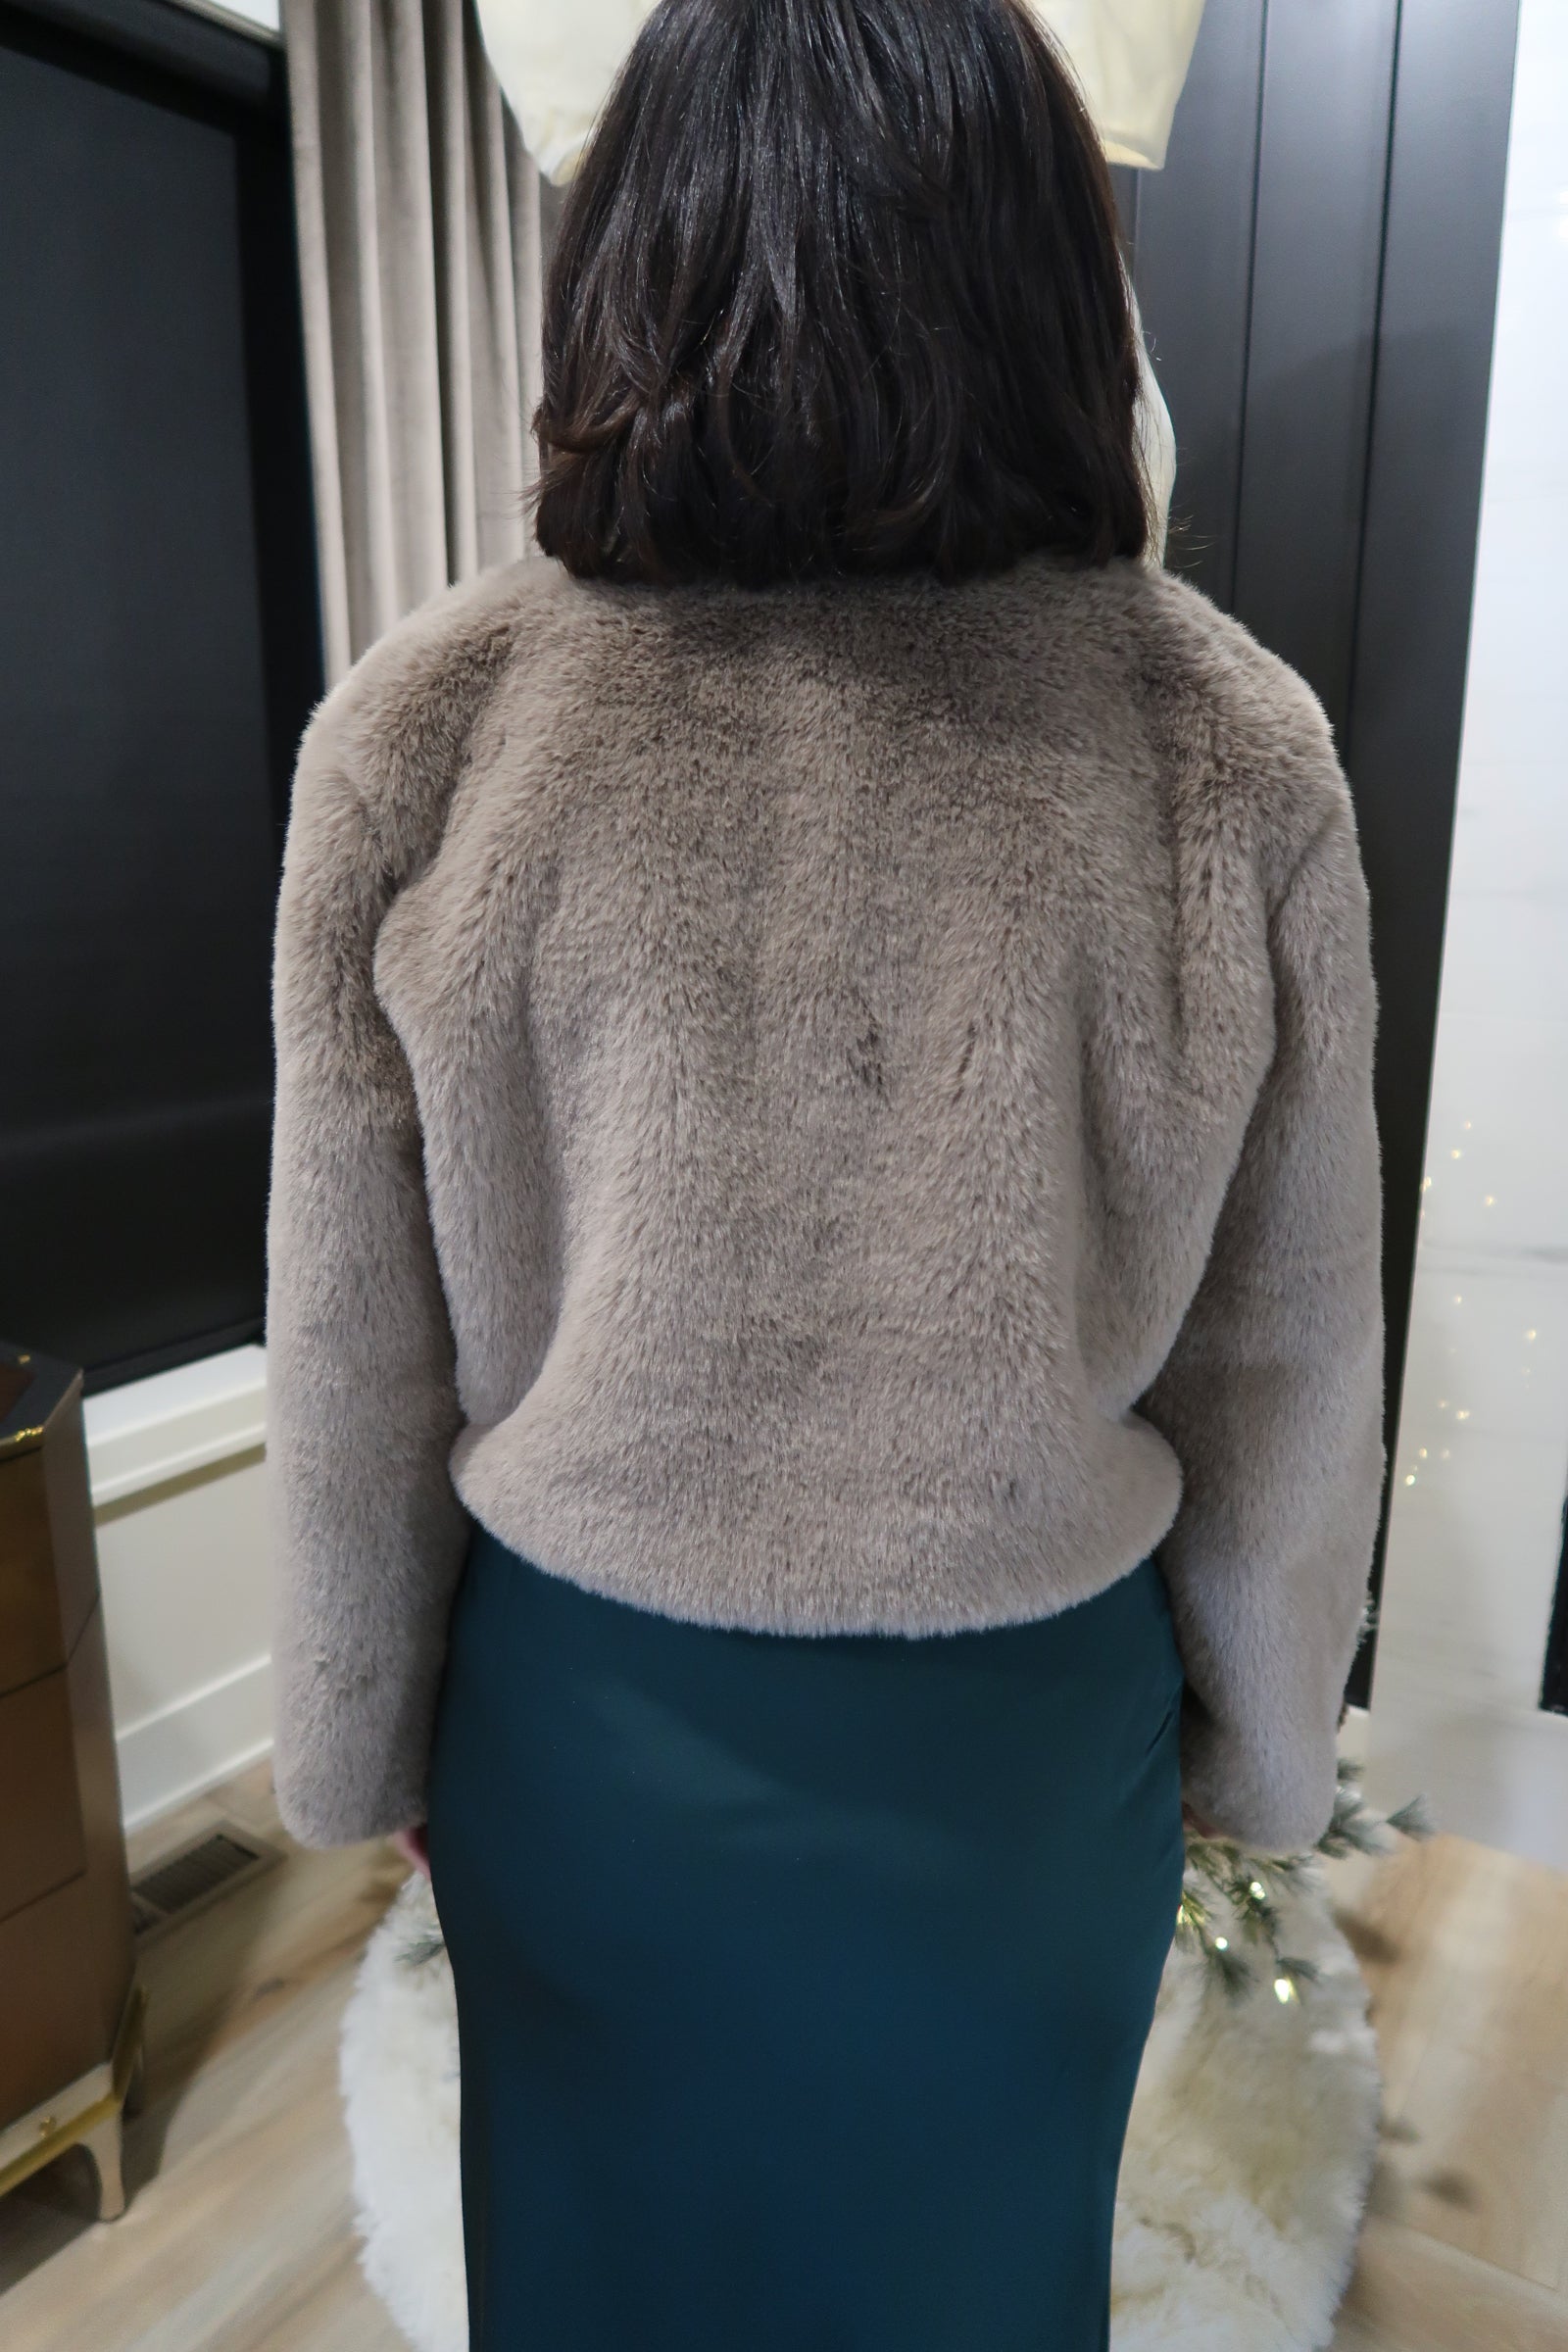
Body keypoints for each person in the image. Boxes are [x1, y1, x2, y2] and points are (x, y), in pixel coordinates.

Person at [266, 0, 1384, 2343]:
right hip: (1014, 1766)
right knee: (971, 2284)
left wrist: (362, 1729)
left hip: (589, 1744)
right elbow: (1281, 1352)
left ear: (629, 259)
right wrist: (1267, 1751)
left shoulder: (433, 725)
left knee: (606, 2280)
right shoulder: (1223, 744)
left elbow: (354, 1330)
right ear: (1049, 273)